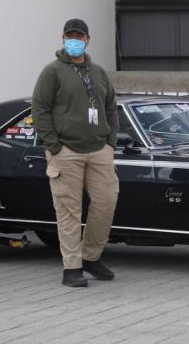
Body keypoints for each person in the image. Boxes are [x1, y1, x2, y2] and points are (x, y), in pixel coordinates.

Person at [31, 19, 119, 288]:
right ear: (62, 38)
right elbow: (39, 108)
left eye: (79, 36)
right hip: (66, 151)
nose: (74, 40)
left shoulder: (98, 72)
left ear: (87, 40)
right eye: (70, 36)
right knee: (68, 210)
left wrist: (111, 142)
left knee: (106, 203)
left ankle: (90, 257)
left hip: (99, 150)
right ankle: (72, 267)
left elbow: (111, 107)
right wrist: (54, 146)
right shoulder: (53, 71)